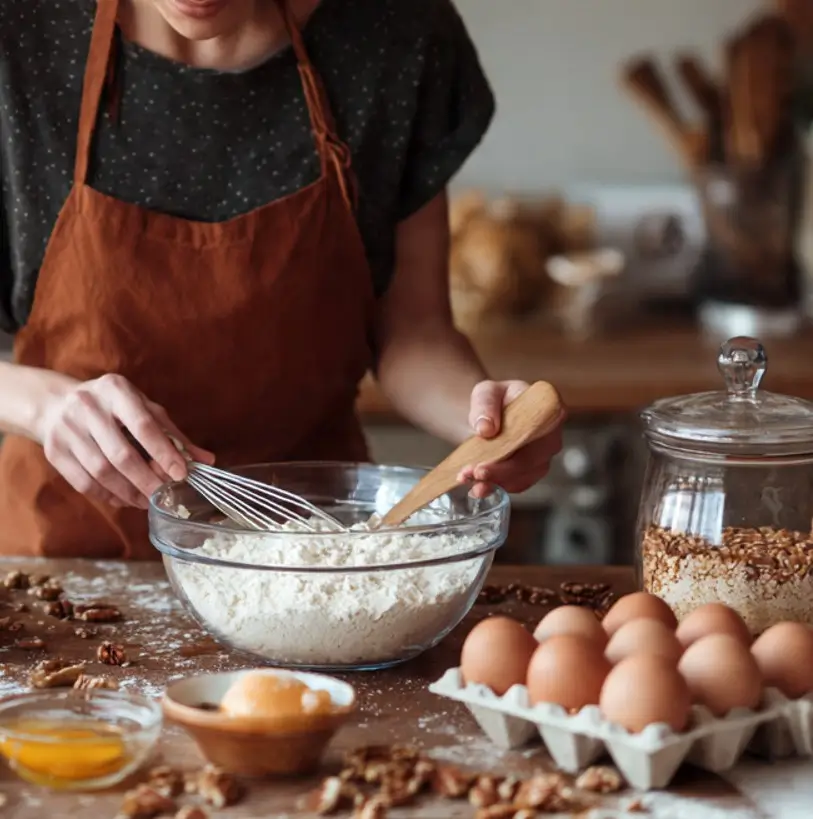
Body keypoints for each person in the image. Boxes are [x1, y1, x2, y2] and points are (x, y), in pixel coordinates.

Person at [0, 0, 565, 558]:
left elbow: (414, 332)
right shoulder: (22, 30)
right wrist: (42, 405)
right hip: (66, 560)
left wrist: (485, 424)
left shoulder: (399, 33)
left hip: (315, 559)